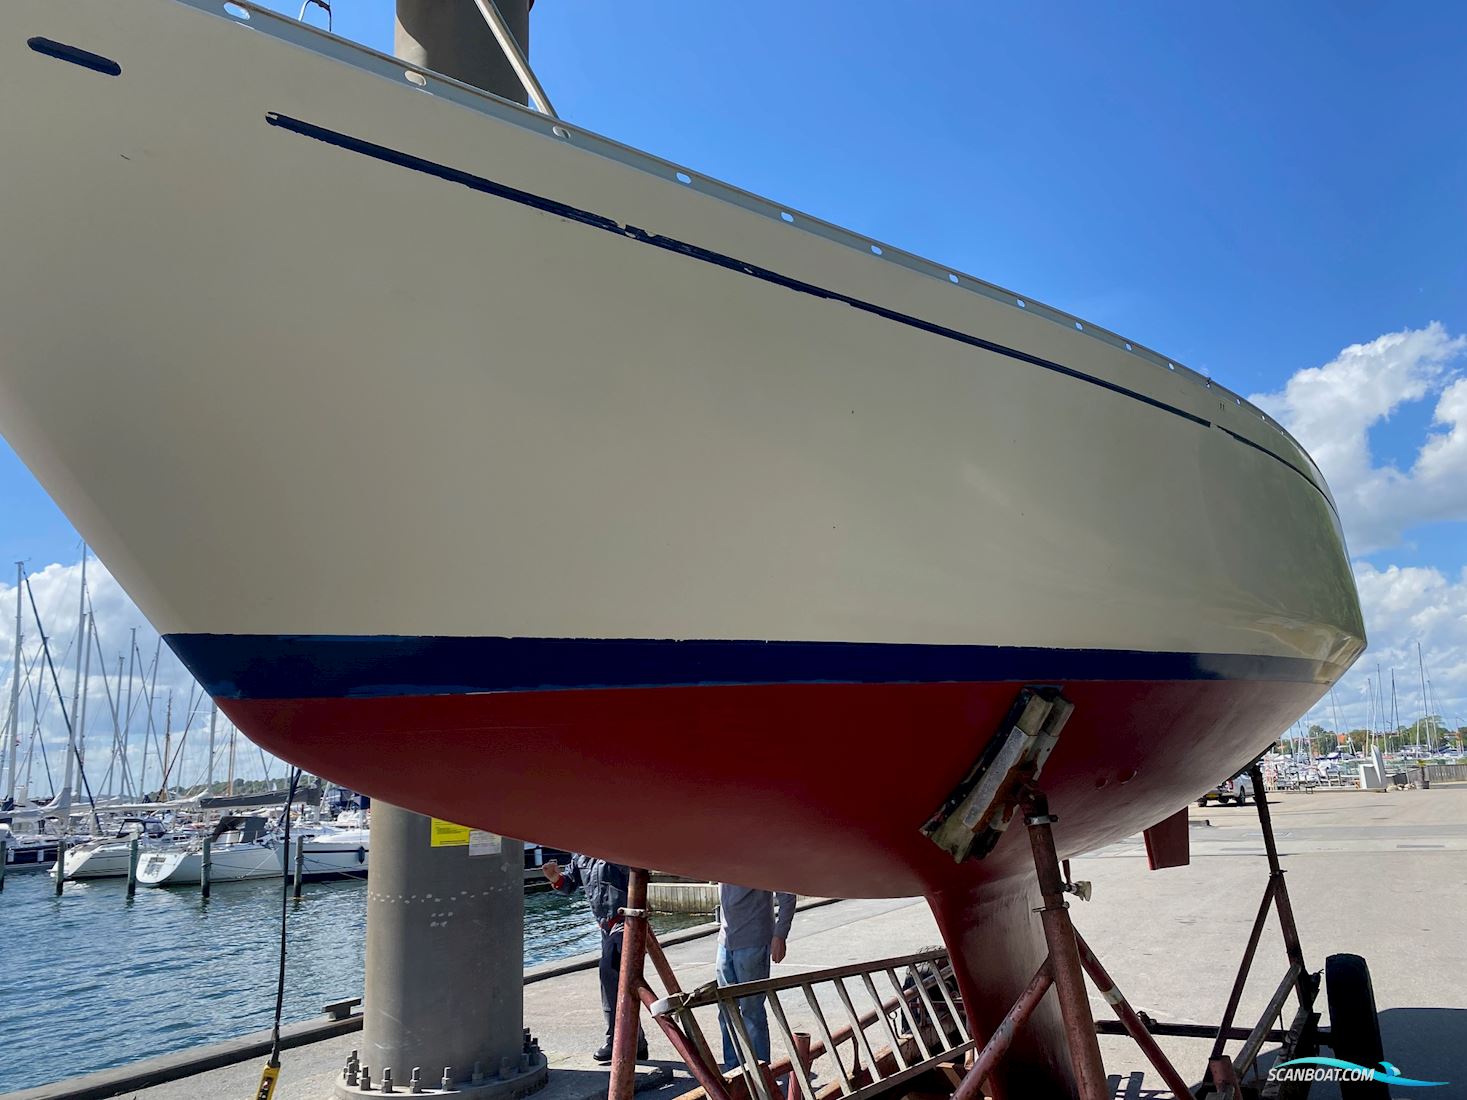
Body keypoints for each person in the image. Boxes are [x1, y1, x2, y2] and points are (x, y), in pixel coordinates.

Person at [542, 855, 648, 1063]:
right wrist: (555, 878)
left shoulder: (618, 847)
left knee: (608, 972)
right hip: (605, 927)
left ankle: (617, 1039)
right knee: (616, 984)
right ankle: (636, 1041)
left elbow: (639, 870)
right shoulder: (581, 856)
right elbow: (569, 885)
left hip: (627, 920)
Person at [715, 885, 796, 1068]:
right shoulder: (720, 858)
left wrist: (780, 935)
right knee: (726, 1010)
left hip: (753, 941)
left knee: (751, 1011)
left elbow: (787, 893)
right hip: (725, 941)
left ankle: (761, 1071)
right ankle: (734, 1069)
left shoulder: (760, 858)